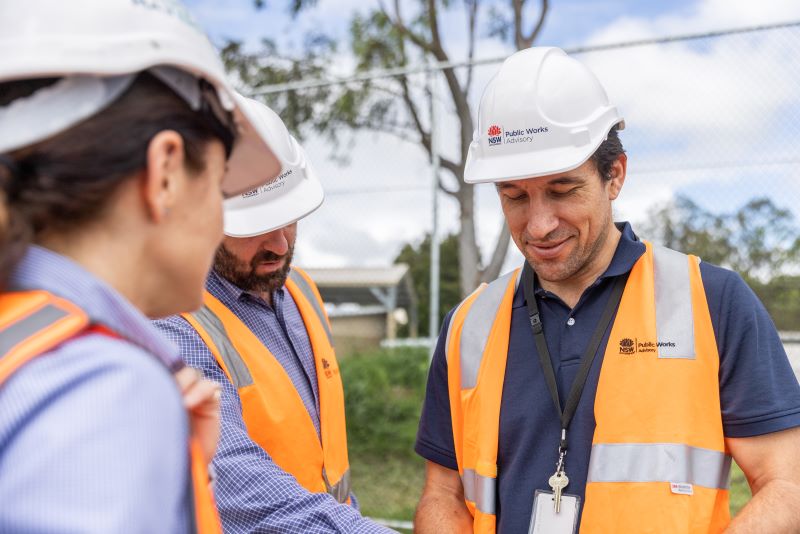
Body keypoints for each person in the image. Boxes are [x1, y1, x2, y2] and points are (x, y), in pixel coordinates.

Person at [413, 46, 800, 533]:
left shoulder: (712, 301)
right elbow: (441, 494)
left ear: (613, 175)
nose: (539, 224)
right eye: (514, 196)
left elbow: (787, 486)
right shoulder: (470, 325)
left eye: (562, 189)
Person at [0, 1, 284, 531]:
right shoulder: (100, 388)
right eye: (222, 186)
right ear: (166, 172)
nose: (222, 217)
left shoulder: (29, 350)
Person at [155, 97, 394, 533]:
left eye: (289, 220)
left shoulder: (300, 291)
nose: (281, 245)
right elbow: (236, 482)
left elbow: (324, 462)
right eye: (256, 228)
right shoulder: (172, 322)